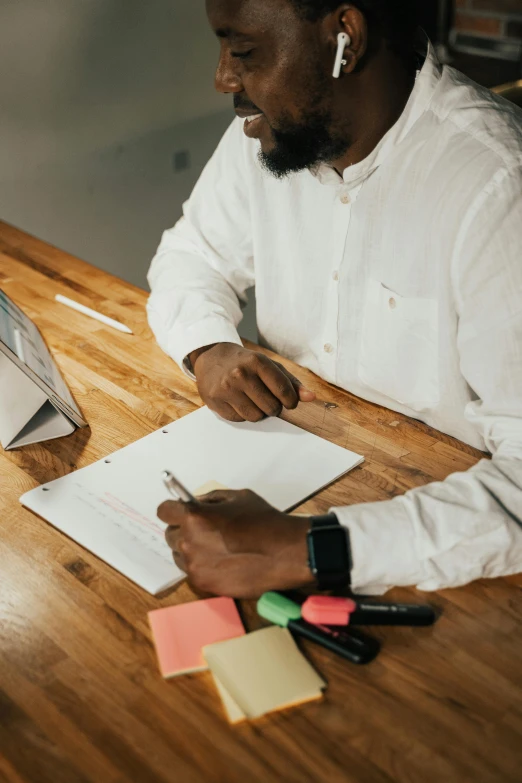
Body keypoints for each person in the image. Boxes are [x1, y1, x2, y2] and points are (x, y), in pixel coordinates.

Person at [147, 0, 522, 599]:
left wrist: (304, 549)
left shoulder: (497, 186)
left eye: (243, 51)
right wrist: (209, 346)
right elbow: (191, 254)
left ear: (345, 37)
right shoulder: (267, 134)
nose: (222, 78)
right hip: (300, 465)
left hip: (461, 561)